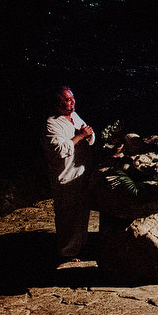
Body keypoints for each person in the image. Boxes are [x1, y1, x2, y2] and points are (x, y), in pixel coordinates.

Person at [43, 86, 95, 268]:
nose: (71, 102)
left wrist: (88, 134)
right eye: (67, 100)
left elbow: (88, 134)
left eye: (72, 98)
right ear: (58, 102)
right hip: (65, 176)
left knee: (81, 213)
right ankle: (66, 252)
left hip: (81, 174)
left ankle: (80, 246)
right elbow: (58, 150)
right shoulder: (52, 123)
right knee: (67, 214)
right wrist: (80, 136)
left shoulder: (75, 117)